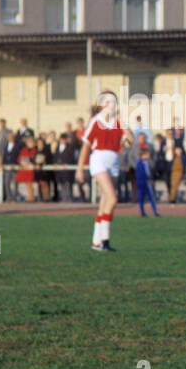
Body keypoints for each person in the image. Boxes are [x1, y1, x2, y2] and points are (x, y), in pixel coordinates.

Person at [75, 91, 133, 251]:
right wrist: (80, 168)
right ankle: (105, 240)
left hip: (114, 161)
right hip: (99, 159)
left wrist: (124, 124)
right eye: (107, 102)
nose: (111, 105)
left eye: (113, 102)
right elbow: (86, 144)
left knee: (105, 203)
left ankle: (96, 241)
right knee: (113, 199)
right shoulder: (96, 121)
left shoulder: (118, 122)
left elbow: (130, 141)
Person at [135, 138, 159, 217]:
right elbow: (147, 172)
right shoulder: (145, 163)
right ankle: (155, 212)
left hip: (139, 182)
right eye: (148, 154)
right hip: (145, 181)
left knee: (141, 197)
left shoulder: (138, 163)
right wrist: (150, 179)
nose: (149, 156)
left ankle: (142, 212)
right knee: (151, 197)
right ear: (144, 154)